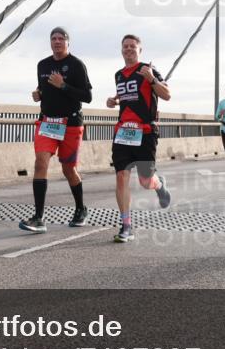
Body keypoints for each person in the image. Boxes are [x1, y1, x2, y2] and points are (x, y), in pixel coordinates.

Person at [19, 27, 93, 234]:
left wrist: (64, 86)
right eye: (54, 39)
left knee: (69, 170)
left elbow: (87, 96)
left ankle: (80, 209)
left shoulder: (76, 65)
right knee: (40, 162)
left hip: (70, 124)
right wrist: (39, 93)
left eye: (61, 39)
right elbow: (45, 88)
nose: (57, 42)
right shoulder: (43, 64)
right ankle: (39, 218)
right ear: (50, 42)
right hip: (47, 123)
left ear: (68, 42)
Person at [107, 34, 172, 243]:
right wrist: (114, 100)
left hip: (145, 133)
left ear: (139, 50)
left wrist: (151, 78)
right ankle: (126, 225)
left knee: (145, 182)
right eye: (125, 46)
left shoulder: (148, 69)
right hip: (123, 133)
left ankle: (159, 185)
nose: (128, 49)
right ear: (121, 50)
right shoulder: (118, 75)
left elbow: (167, 95)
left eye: (132, 46)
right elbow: (129, 98)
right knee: (121, 176)